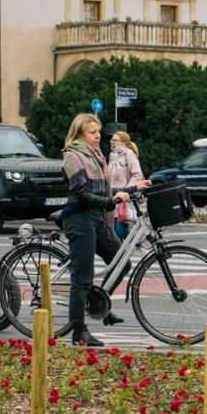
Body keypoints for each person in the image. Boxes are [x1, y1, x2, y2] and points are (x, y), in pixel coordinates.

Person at [61, 113, 149, 347]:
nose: (98, 135)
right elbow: (81, 193)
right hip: (79, 219)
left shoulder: (97, 155)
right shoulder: (73, 156)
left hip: (97, 217)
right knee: (82, 278)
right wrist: (111, 202)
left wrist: (131, 188)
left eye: (98, 131)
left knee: (122, 262)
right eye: (92, 132)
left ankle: (98, 301)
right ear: (80, 134)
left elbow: (103, 189)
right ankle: (79, 332)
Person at [107, 130, 144, 240]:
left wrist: (128, 189)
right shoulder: (113, 156)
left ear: (123, 142)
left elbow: (137, 174)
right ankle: (125, 251)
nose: (112, 142)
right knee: (113, 228)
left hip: (124, 196)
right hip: (114, 195)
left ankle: (137, 245)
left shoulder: (128, 154)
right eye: (111, 140)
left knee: (119, 227)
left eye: (115, 140)